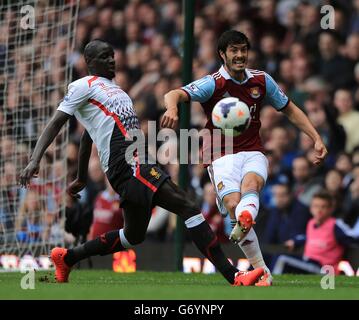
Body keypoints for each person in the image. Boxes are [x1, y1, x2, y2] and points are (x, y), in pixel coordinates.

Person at [19, 39, 264, 286]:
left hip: (132, 164)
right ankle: (234, 276)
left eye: (112, 54)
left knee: (133, 236)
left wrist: (82, 177)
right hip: (128, 163)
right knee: (188, 206)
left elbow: (87, 136)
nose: (112, 59)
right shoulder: (82, 86)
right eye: (105, 56)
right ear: (89, 62)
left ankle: (68, 257)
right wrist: (34, 160)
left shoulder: (116, 90)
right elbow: (56, 122)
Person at [162, 30, 328, 286]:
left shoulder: (261, 81)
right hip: (221, 155)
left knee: (251, 187)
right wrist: (172, 107)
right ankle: (262, 271)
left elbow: (290, 109)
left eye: (243, 50)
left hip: (252, 151)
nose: (240, 55)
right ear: (222, 54)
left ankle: (247, 228)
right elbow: (174, 93)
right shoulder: (213, 83)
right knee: (232, 204)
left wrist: (315, 137)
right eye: (234, 51)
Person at [274, 190, 359, 275]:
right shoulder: (311, 223)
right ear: (311, 208)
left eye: (323, 207)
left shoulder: (335, 225)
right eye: (316, 206)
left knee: (282, 259)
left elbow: (352, 238)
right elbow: (307, 237)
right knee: (280, 256)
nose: (319, 210)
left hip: (325, 269)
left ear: (331, 209)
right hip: (308, 263)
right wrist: (295, 241)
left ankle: (271, 286)